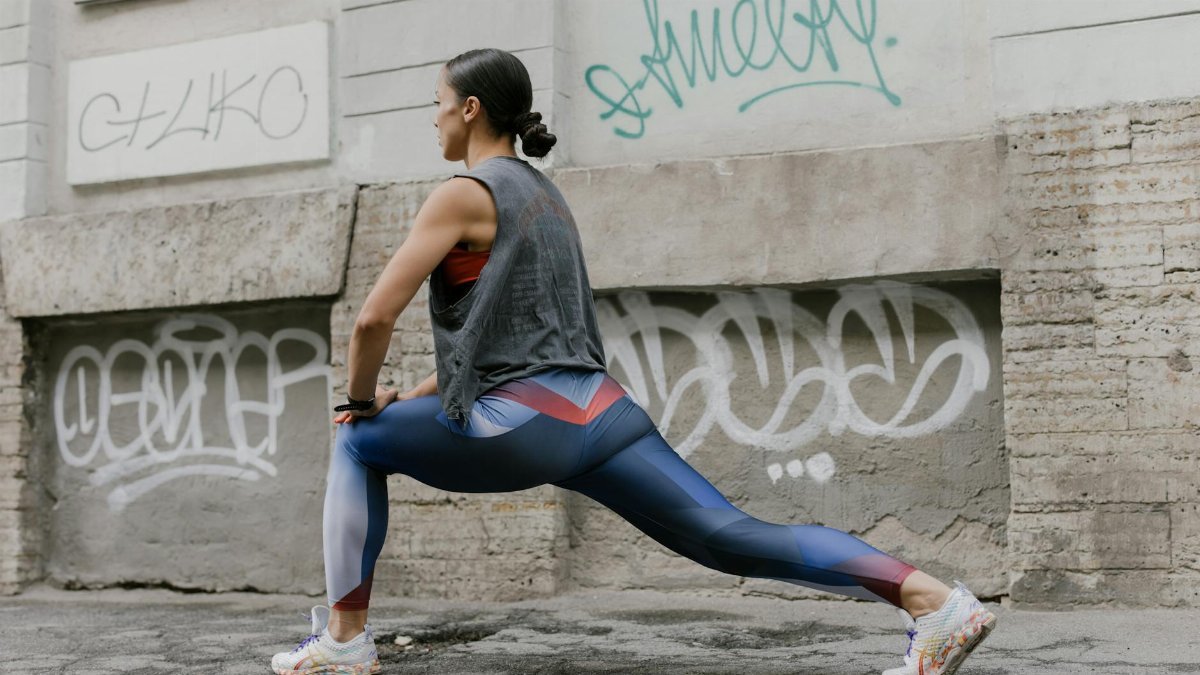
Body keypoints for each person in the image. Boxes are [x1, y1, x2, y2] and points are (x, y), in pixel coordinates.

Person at [270, 48, 997, 675]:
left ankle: (345, 643)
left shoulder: (463, 194)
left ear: (469, 108)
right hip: (601, 412)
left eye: (436, 104)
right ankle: (935, 602)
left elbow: (372, 319)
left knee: (359, 443)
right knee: (727, 536)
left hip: (528, 422)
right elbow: (515, 337)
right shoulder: (545, 196)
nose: (432, 119)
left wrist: (361, 402)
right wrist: (414, 394)